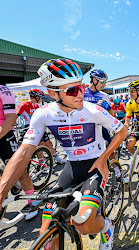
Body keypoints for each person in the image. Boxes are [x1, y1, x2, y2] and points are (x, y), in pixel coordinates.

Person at [0, 59, 128, 250]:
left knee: (83, 225)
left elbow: (122, 131)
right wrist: (1, 193)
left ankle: (106, 227)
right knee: (47, 234)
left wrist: (104, 157)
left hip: (94, 166)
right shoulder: (43, 114)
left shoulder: (93, 110)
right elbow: (24, 152)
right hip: (72, 166)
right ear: (53, 93)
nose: (80, 94)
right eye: (72, 90)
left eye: (81, 88)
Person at [0, 84, 38, 220]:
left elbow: (11, 119)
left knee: (20, 172)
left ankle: (31, 202)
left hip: (4, 135)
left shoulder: (3, 90)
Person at [16, 89, 67, 164]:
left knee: (48, 142)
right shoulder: (23, 104)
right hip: (29, 128)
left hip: (39, 126)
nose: (42, 99)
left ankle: (58, 159)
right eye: (41, 97)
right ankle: (41, 163)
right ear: (36, 97)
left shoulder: (36, 105)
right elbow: (15, 116)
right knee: (41, 144)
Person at [84, 69, 117, 160]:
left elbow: (112, 115)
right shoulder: (81, 93)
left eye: (105, 82)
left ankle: (118, 172)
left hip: (100, 127)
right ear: (94, 80)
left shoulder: (104, 96)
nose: (104, 85)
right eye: (102, 82)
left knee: (111, 151)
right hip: (84, 129)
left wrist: (108, 108)